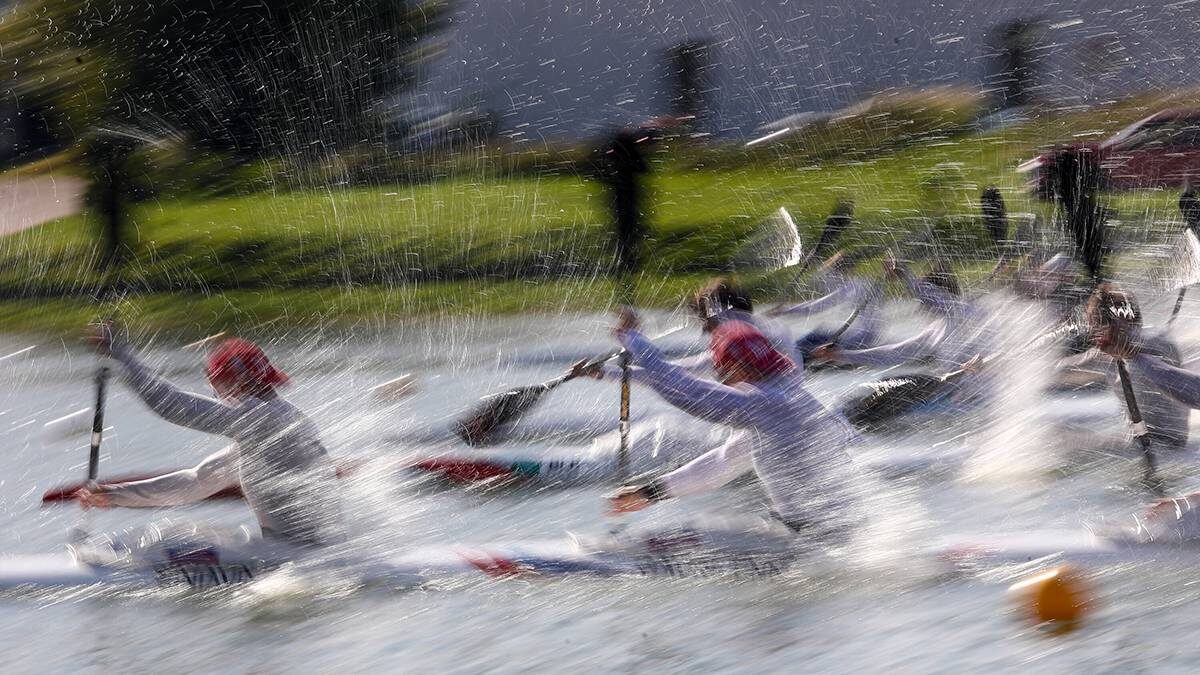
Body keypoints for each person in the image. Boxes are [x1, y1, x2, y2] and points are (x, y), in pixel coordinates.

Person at [595, 311, 861, 542]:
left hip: (818, 536)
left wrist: (631, 337)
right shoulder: (787, 400)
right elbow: (722, 464)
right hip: (835, 529)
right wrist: (648, 493)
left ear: (738, 367)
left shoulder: (762, 403)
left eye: (722, 372)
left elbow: (680, 387)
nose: (721, 380)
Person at [77, 325, 344, 550]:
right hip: (302, 553)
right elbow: (195, 482)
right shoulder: (276, 427)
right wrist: (115, 495)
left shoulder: (260, 418)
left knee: (168, 543)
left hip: (298, 558)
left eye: (217, 388)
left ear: (230, 383)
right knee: (179, 539)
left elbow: (171, 405)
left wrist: (120, 355)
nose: (217, 397)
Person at [1057, 284, 1189, 453]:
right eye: (1093, 324)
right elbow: (1064, 367)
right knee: (1066, 440)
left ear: (1126, 319)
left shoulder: (1158, 343)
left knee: (1080, 446)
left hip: (1169, 444)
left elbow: (1151, 346)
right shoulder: (1105, 354)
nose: (1094, 332)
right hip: (1139, 444)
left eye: (1099, 323)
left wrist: (1130, 345)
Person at [767, 250, 884, 360]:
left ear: (840, 271)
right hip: (868, 335)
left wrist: (783, 311)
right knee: (818, 335)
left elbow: (816, 307)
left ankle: (785, 362)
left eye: (832, 273)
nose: (830, 279)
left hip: (860, 338)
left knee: (805, 343)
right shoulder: (862, 282)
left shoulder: (850, 288)